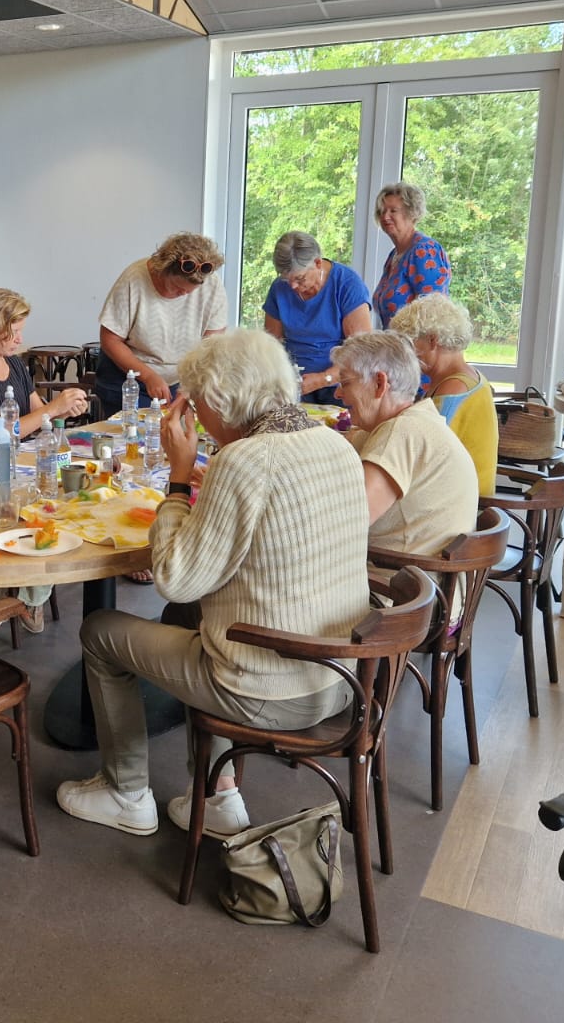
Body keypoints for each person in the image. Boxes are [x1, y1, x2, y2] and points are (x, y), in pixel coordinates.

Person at [55, 330, 372, 840]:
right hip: (340, 677)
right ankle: (218, 794)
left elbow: (174, 578)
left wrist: (179, 478)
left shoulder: (243, 461)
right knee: (186, 619)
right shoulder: (335, 443)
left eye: (198, 403)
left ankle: (125, 793)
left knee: (101, 631)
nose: (197, 418)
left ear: (223, 400)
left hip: (271, 689)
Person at [331, 331, 477, 555]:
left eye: (345, 383)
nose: (338, 394)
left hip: (401, 574)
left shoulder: (401, 432)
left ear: (380, 383)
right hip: (424, 572)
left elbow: (349, 522)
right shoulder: (417, 420)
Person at [94, 232, 228, 417]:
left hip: (179, 381)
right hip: (128, 381)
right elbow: (110, 340)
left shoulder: (211, 285)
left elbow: (212, 346)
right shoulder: (134, 278)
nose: (184, 294)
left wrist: (191, 386)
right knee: (134, 432)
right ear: (162, 271)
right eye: (177, 288)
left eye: (190, 291)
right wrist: (148, 376)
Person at [388, 294, 496, 495]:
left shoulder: (453, 389)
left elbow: (423, 451)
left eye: (409, 345)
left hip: (463, 501)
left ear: (432, 340)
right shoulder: (469, 376)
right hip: (467, 493)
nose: (406, 355)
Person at [0, 287, 87, 437]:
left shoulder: (14, 363)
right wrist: (53, 407)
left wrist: (65, 410)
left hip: (22, 451)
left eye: (20, 331)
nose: (20, 339)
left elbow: (39, 421)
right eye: (14, 331)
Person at [261, 230, 371, 404]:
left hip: (339, 385)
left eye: (300, 278)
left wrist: (323, 379)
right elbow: (271, 345)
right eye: (287, 279)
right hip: (292, 383)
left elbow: (361, 352)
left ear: (318, 263)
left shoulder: (347, 284)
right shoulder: (279, 288)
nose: (293, 286)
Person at [372, 182, 450, 328]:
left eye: (393, 211)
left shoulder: (424, 250)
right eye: (381, 211)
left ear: (411, 213)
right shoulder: (394, 255)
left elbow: (432, 312)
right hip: (395, 340)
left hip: (417, 342)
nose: (385, 216)